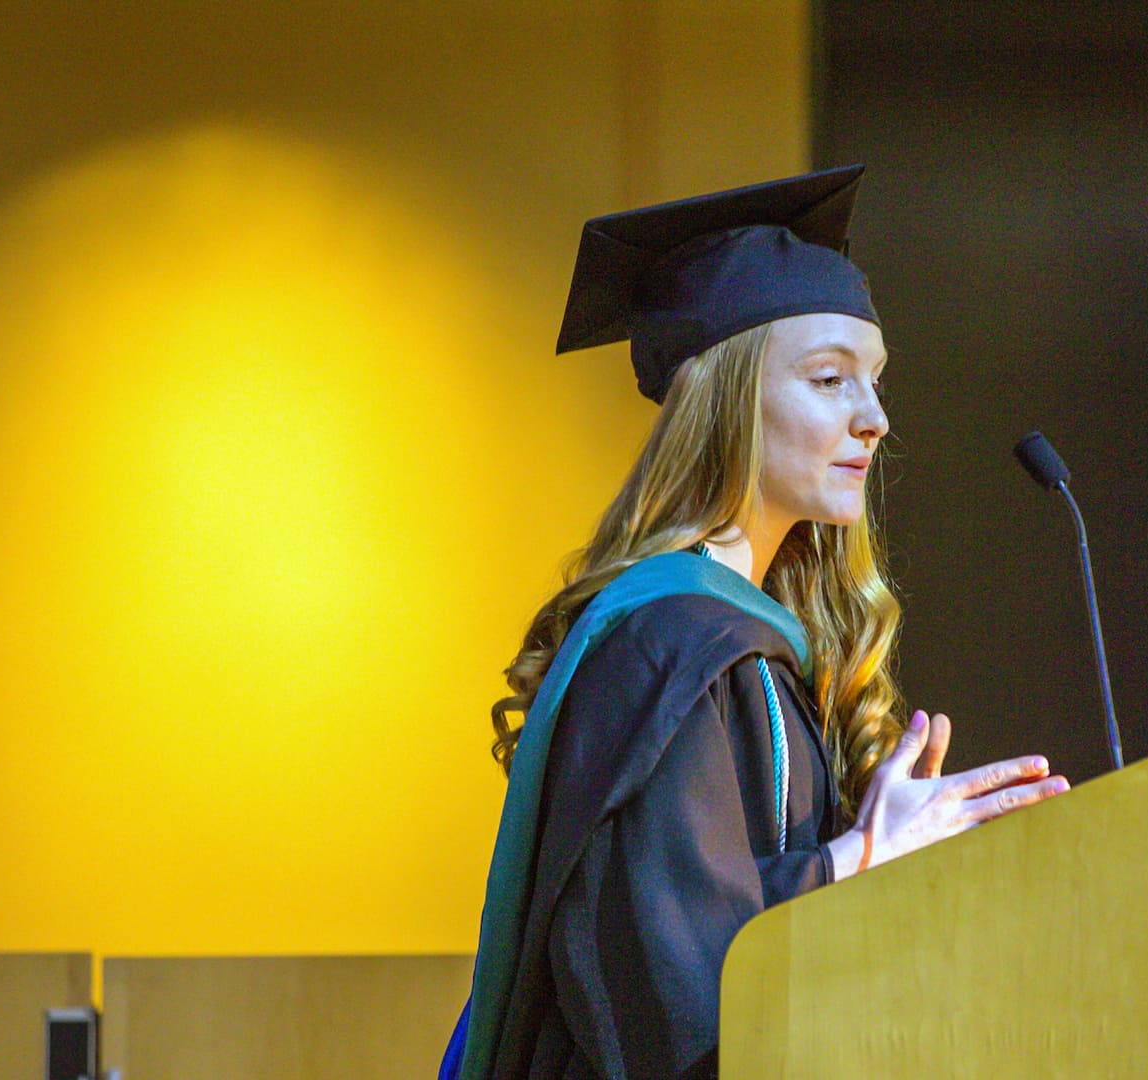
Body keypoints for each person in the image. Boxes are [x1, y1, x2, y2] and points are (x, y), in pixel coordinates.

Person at [443, 166, 1068, 1079]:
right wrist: (855, 857)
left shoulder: (738, 637)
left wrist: (881, 859)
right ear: (727, 401)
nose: (876, 420)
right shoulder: (671, 644)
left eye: (876, 383)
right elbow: (667, 974)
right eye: (829, 380)